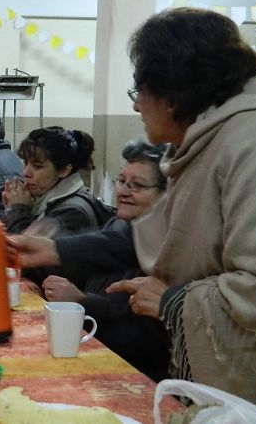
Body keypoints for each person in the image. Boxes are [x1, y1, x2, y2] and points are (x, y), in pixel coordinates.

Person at [11, 8, 256, 408]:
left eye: (139, 93)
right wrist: (56, 250)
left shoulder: (254, 145)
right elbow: (155, 235)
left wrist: (171, 301)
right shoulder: (207, 142)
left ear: (172, 93)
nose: (135, 108)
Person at [42, 139, 170, 382]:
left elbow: (144, 345)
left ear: (168, 195)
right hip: (91, 346)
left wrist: (82, 302)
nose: (122, 192)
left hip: (133, 376)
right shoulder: (118, 225)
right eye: (121, 181)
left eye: (137, 186)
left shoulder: (166, 254)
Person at [2, 126, 104, 236]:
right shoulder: (45, 199)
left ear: (64, 170)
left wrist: (17, 209)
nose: (26, 173)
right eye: (26, 163)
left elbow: (23, 249)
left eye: (37, 166)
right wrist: (11, 209)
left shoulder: (72, 213)